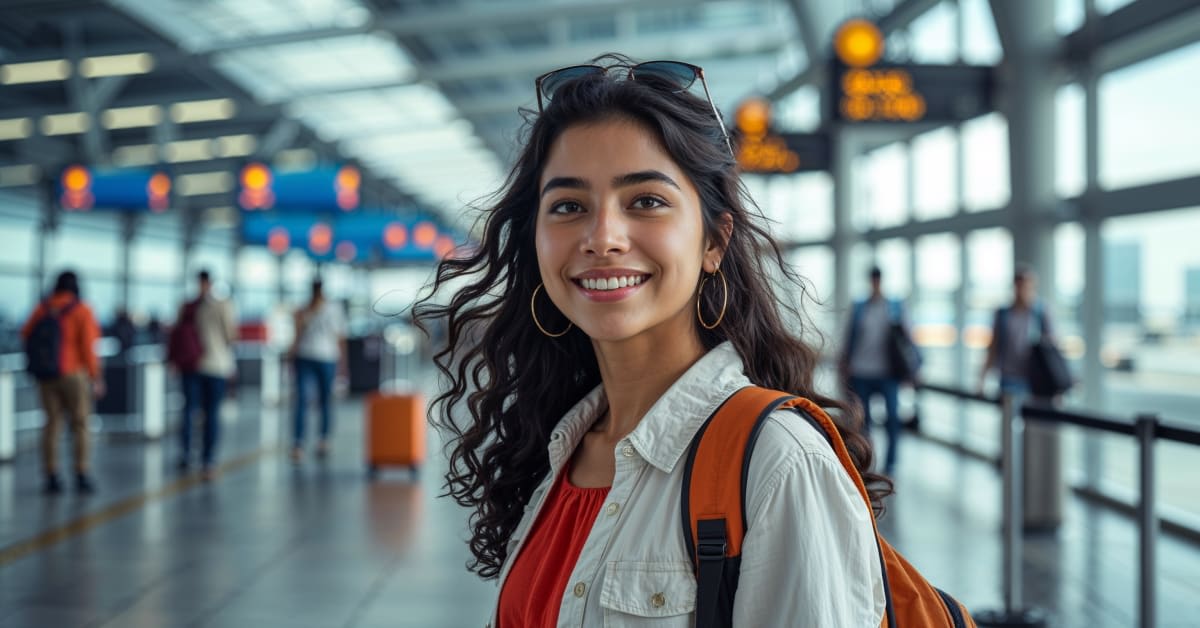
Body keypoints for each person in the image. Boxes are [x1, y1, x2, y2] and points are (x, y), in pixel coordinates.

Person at [414, 55, 888, 627]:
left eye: (646, 201)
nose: (602, 237)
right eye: (568, 206)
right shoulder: (559, 448)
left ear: (714, 240)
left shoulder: (777, 464)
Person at [21, 270, 104, 494]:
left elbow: (25, 333)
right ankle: (81, 473)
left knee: (51, 424)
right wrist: (96, 377)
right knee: (80, 423)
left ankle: (51, 475)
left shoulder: (43, 308)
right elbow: (89, 346)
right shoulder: (82, 310)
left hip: (46, 376)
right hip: (73, 374)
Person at [839, 266, 917, 476]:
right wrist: (844, 364)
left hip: (888, 373)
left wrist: (914, 367)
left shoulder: (894, 307)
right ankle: (866, 460)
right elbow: (849, 338)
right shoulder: (860, 307)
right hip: (862, 371)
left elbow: (908, 338)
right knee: (863, 421)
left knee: (892, 418)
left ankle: (891, 464)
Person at [176, 270, 236, 481]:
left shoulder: (187, 306)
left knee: (189, 410)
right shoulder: (222, 304)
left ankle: (186, 454)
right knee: (211, 413)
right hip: (215, 365)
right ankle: (208, 459)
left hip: (191, 365)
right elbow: (231, 335)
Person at [289, 278, 346, 462]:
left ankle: (321, 438)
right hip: (310, 357)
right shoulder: (304, 309)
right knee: (306, 399)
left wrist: (343, 364)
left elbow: (339, 336)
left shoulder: (331, 309)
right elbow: (297, 334)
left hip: (324, 357)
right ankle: (303, 441)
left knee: (322, 399)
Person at [978, 266, 1057, 397]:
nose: (1023, 291)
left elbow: (1052, 348)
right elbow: (993, 346)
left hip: (1034, 379)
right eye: (1020, 286)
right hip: (1009, 377)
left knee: (1033, 416)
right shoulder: (1003, 314)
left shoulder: (1041, 312)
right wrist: (982, 379)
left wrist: (1055, 382)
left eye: (1027, 287)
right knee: (1008, 414)